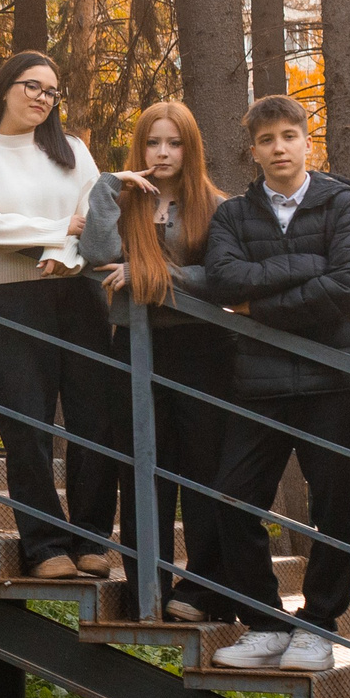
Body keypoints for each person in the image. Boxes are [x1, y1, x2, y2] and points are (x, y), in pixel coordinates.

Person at [201, 93, 350, 675]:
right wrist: (308, 268)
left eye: (289, 136)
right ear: (253, 150)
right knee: (232, 498)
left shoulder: (342, 203)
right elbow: (225, 281)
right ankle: (267, 622)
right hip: (257, 383)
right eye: (267, 139)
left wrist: (261, 304)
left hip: (332, 380)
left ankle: (319, 628)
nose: (279, 147)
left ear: (308, 140)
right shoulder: (233, 215)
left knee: (333, 507)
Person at [0, 51, 117, 581]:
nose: (42, 98)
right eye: (32, 86)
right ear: (5, 89)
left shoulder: (74, 151)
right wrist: (57, 229)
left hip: (78, 296)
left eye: (51, 91)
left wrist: (65, 249)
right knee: (26, 426)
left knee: (95, 421)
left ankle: (92, 539)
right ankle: (45, 546)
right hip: (8, 301)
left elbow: (94, 223)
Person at [78, 100, 232, 613]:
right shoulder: (126, 201)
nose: (162, 153)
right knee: (143, 466)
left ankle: (203, 590)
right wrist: (106, 186)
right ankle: (148, 585)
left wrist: (152, 277)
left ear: (191, 149)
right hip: (136, 350)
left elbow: (223, 278)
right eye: (153, 142)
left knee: (203, 471)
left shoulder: (217, 206)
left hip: (201, 352)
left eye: (174, 143)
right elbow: (98, 254)